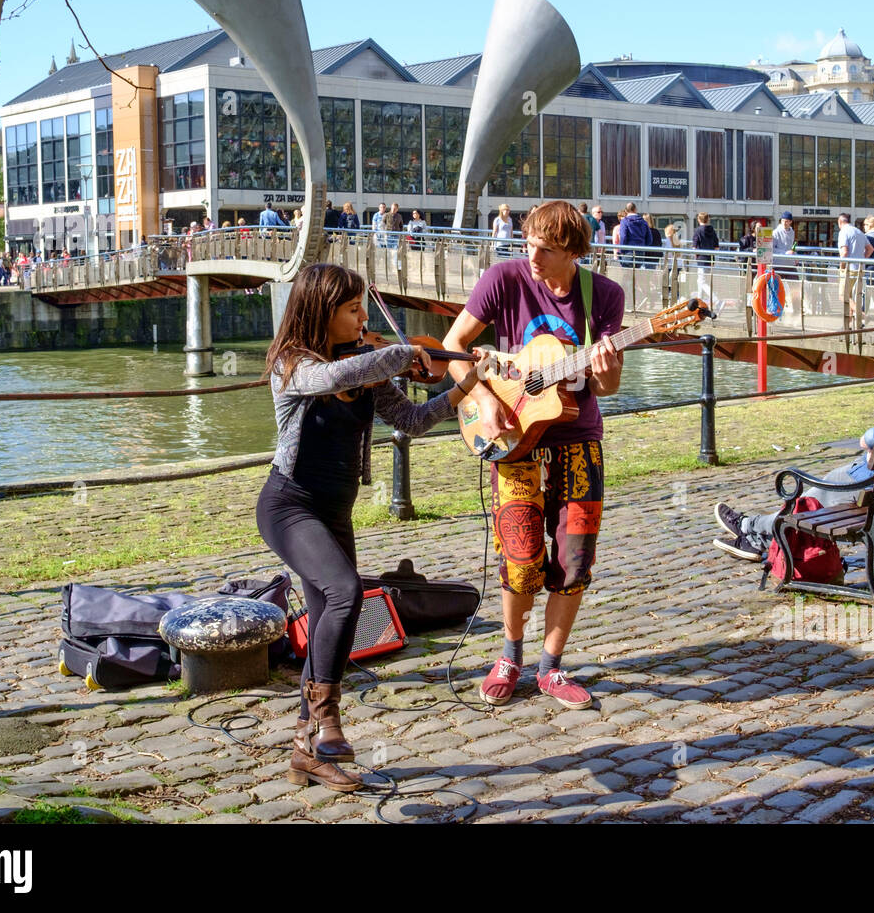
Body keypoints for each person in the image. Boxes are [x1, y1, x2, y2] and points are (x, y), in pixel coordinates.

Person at [258, 263, 491, 791]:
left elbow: (409, 420)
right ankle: (330, 722)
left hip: (335, 514)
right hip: (288, 506)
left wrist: (464, 385)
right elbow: (335, 378)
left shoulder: (366, 364)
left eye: (364, 307)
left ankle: (305, 750)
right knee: (345, 595)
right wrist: (401, 354)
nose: (364, 318)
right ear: (322, 310)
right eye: (352, 309)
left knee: (328, 625)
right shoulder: (293, 365)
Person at [440, 200, 625, 711]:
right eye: (529, 244)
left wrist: (608, 363)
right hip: (513, 435)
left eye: (546, 249)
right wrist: (481, 398)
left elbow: (606, 386)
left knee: (574, 557)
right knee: (520, 557)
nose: (533, 256)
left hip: (577, 437)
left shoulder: (604, 295)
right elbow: (454, 344)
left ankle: (551, 665)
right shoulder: (504, 278)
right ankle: (509, 655)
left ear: (574, 251)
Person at [712, 339, 874, 560]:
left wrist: (871, 451)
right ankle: (761, 540)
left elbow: (869, 438)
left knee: (808, 502)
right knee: (820, 494)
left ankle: (749, 526)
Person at [836, 212, 872, 329]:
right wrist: (861, 259)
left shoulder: (843, 232)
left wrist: (842, 266)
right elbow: (870, 249)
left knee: (843, 295)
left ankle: (861, 315)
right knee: (850, 295)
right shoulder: (859, 232)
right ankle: (849, 324)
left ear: (840, 222)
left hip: (849, 269)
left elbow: (844, 252)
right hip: (859, 269)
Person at [616, 202, 648, 268]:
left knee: (626, 274)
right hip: (641, 252)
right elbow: (649, 238)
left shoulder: (624, 221)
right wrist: (643, 246)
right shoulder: (643, 221)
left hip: (628, 252)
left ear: (626, 211)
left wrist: (621, 250)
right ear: (635, 209)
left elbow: (623, 237)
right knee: (637, 274)